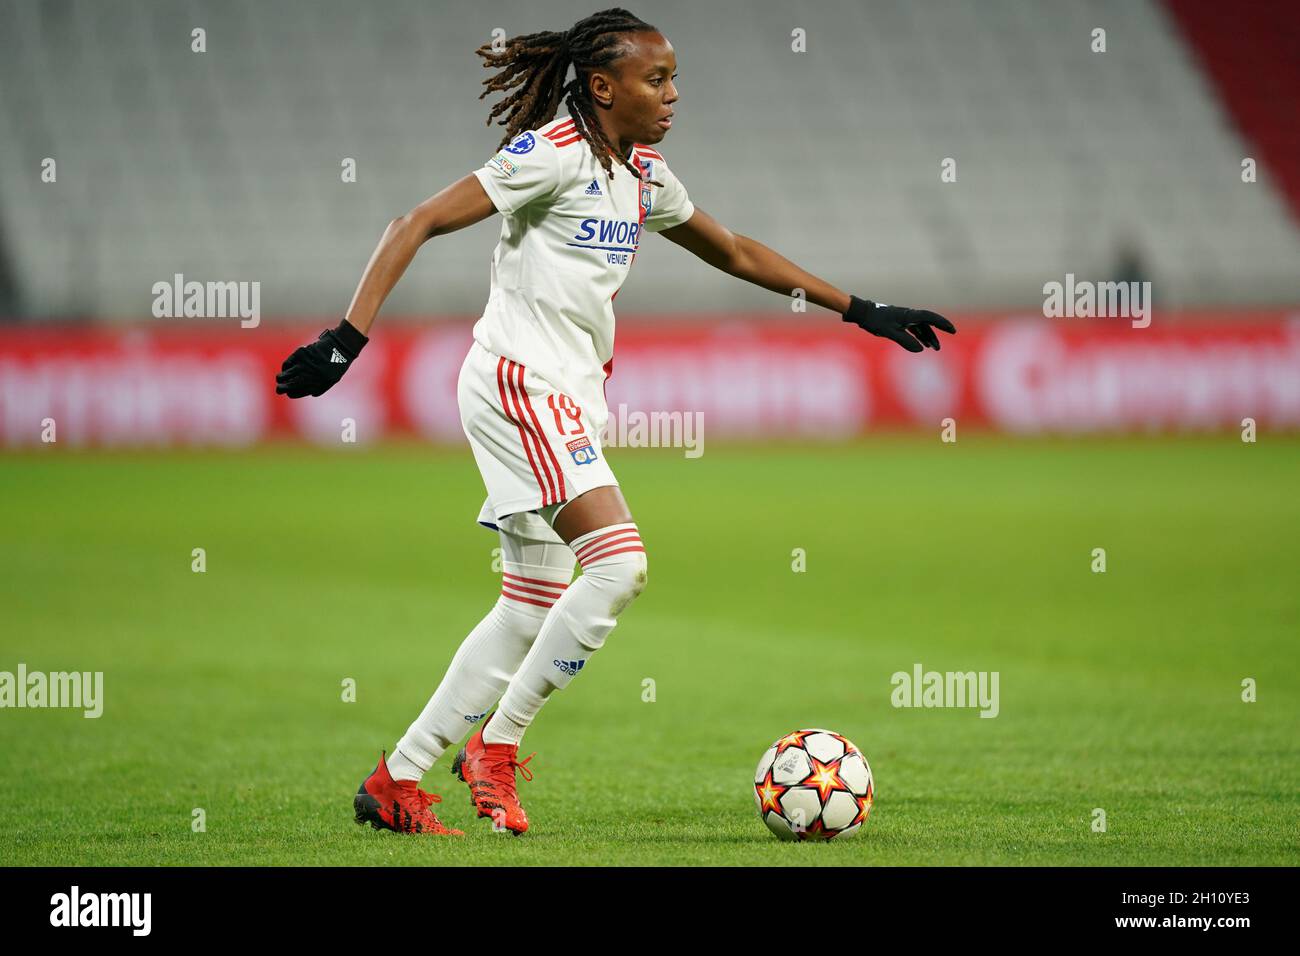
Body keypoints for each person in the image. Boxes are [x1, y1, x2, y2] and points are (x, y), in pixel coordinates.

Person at [274, 7, 955, 836]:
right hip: (520, 384)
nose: (672, 95)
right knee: (620, 566)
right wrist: (347, 339)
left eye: (674, 79)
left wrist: (862, 308)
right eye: (655, 79)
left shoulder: (644, 176)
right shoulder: (547, 156)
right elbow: (411, 222)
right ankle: (496, 745)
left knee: (529, 605)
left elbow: (734, 250)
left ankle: (397, 780)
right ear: (603, 87)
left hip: (560, 397)